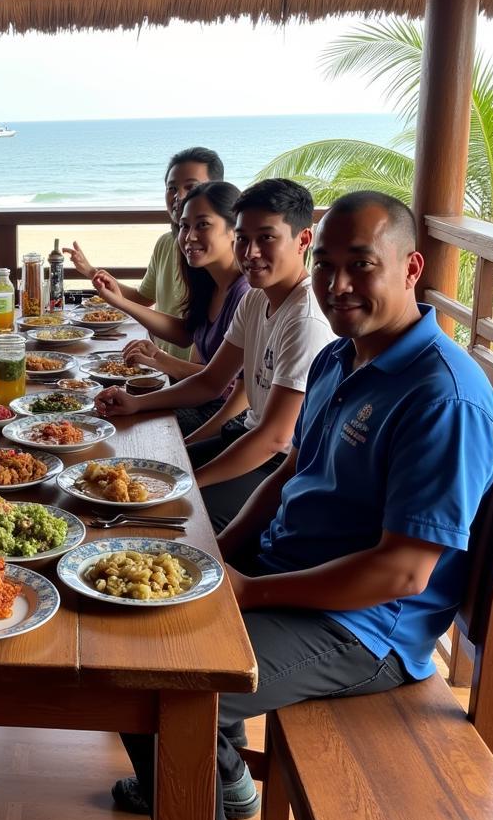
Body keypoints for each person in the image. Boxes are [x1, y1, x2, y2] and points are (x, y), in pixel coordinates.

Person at [114, 191, 493, 820]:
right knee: (135, 613)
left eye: (363, 265)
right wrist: (222, 549)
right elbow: (291, 469)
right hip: (291, 574)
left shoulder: (442, 396)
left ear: (411, 267)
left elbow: (403, 574)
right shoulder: (340, 358)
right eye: (327, 264)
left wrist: (251, 591)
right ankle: (223, 777)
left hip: (364, 629)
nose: (338, 284)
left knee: (151, 682)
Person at [96, 179, 334, 534]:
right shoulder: (256, 298)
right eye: (242, 238)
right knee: (137, 476)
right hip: (242, 438)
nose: (250, 252)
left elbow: (274, 437)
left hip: (282, 467)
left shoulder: (306, 320)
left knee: (165, 515)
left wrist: (190, 480)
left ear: (303, 240)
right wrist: (136, 403)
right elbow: (211, 381)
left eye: (266, 238)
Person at [90, 180, 249, 435]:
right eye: (184, 226)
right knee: (102, 409)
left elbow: (219, 384)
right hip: (202, 400)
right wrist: (120, 301)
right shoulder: (208, 280)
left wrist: (159, 360)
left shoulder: (245, 294)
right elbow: (186, 334)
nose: (190, 236)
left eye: (203, 225)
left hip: (226, 417)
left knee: (123, 426)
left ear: (234, 229)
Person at [64, 147, 224, 360]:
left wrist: (159, 360)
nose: (179, 196)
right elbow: (144, 299)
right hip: (167, 367)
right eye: (172, 188)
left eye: (191, 187)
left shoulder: (220, 267)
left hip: (183, 375)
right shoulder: (169, 243)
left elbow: (210, 375)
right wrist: (92, 272)